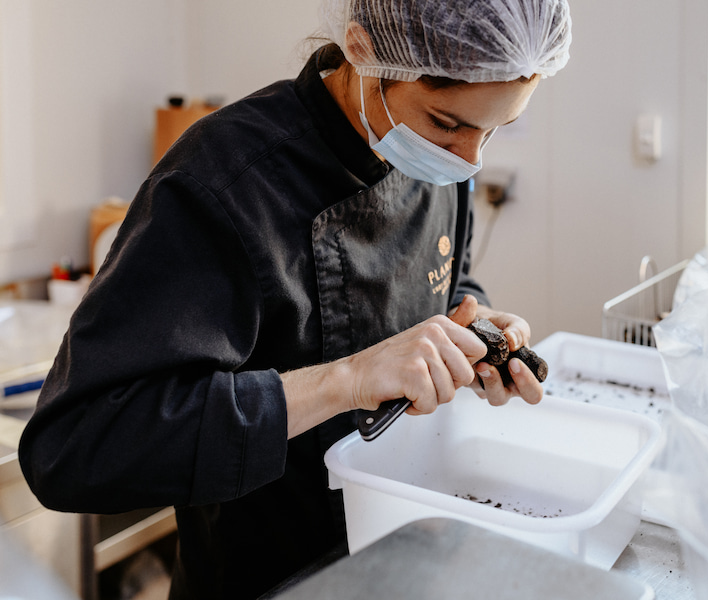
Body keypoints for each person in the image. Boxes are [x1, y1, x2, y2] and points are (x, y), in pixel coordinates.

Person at [18, 0, 571, 598]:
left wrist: (472, 316)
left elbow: (449, 276)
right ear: (363, 50)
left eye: (495, 130)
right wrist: (348, 379)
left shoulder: (440, 166)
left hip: (404, 556)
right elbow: (74, 447)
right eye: (445, 123)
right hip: (268, 579)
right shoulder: (223, 182)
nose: (469, 161)